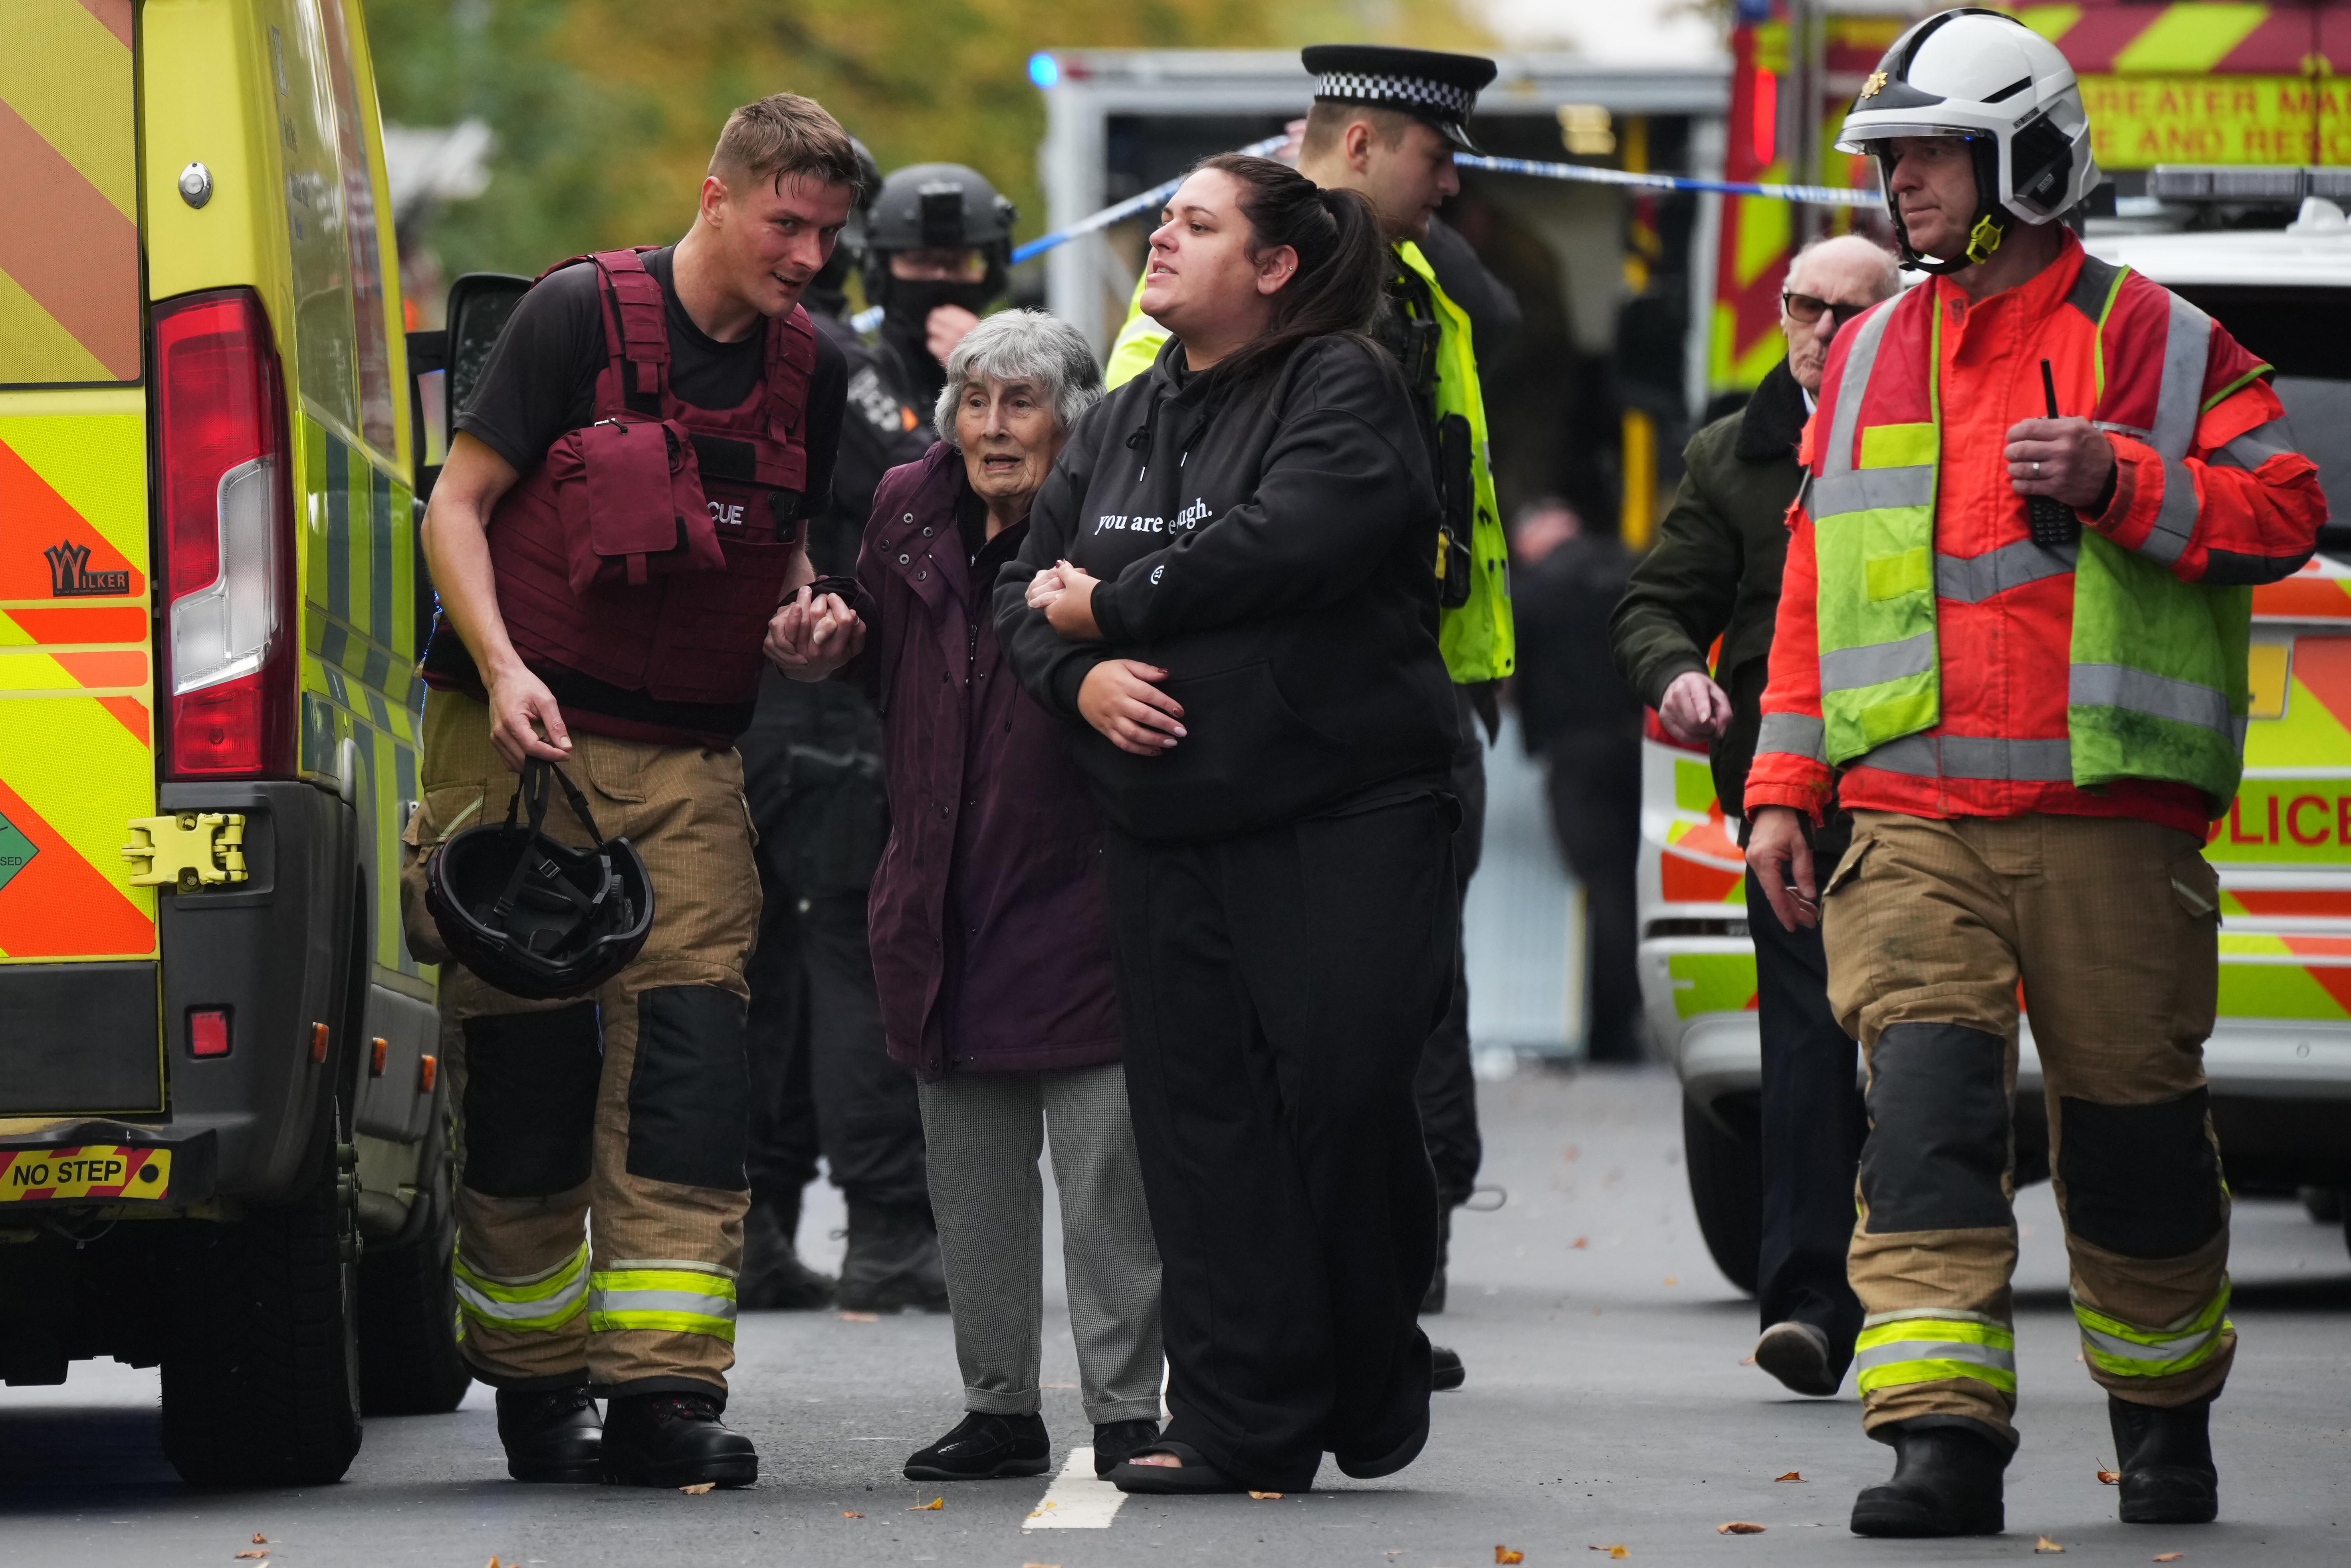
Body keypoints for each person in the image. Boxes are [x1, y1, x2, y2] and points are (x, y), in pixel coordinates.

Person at [1743, 10, 2325, 1538]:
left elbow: (2283, 509)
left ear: (2023, 158)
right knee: (1923, 1123)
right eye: (1889, 159)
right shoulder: (1866, 350)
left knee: (2132, 1138)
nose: (1900, 186)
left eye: (1927, 155)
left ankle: (2162, 1423)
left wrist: (2123, 479)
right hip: (1913, 819)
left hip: (2109, 826)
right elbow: (1814, 593)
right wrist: (1782, 787)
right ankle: (1938, 1440)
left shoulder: (2160, 339)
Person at [401, 94, 859, 1489]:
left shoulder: (812, 370)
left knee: (685, 1076)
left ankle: (663, 1394)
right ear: (714, 196)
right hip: (519, 744)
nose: (808, 256)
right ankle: (538, 1386)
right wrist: (503, 664)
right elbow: (456, 508)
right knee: (528, 1070)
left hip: (690, 761)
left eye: (828, 234)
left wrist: (805, 621)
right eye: (788, 224)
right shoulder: (571, 319)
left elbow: (782, 550)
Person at [996, 154, 1458, 1497]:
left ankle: (1366, 1367)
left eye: (1196, 224)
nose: (1161, 237)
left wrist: (1114, 609)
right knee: (1202, 1127)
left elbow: (1292, 536)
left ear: (1271, 268)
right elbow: (1022, 590)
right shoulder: (1122, 416)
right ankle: (1239, 1415)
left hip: (1341, 807)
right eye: (1162, 219)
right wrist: (1075, 672)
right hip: (1165, 827)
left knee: (1340, 1090)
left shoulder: (1341, 384)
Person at [1105, 43, 1518, 1338]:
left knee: (1391, 1028)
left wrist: (1473, 669)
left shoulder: (1417, 293)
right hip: (1266, 728)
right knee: (1308, 1053)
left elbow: (1449, 500)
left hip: (1400, 713)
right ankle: (1333, 1316)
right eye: (1430, 156)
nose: (1448, 184)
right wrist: (1104, 631)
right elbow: (1137, 490)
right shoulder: (1213, 291)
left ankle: (1381, 1299)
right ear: (1353, 149)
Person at [771, 311, 1166, 1484]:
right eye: (977, 399)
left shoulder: (1110, 521)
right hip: (936, 892)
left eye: (1022, 401)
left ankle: (1126, 1409)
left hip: (1082, 890)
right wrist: (828, 634)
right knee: (976, 1182)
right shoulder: (905, 504)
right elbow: (874, 635)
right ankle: (998, 1405)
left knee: (1106, 1182)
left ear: (1074, 415)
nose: (995, 427)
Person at [1609, 233, 1901, 1391]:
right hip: (1794, 808)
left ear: (1895, 319)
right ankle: (1810, 1309)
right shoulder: (1735, 456)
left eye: (1846, 312)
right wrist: (1675, 670)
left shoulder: (1932, 433)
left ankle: (1926, 1290)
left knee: (1924, 1059)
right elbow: (1654, 602)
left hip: (1929, 795)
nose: (1819, 334)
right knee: (1807, 1061)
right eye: (1801, 307)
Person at [736, 135, 945, 1315]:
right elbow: (920, 492)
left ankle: (755, 1223)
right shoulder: (832, 357)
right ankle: (889, 1231)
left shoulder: (691, 344)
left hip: (733, 708)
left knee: (759, 972)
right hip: (826, 701)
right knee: (858, 969)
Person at [1511, 497, 1644, 1061]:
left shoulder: (1531, 590)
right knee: (1633, 882)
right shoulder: (1633, 568)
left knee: (1604, 888)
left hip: (1574, 754)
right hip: (1641, 743)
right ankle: (1626, 1023)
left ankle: (1609, 1035)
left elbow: (1505, 671)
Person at [864, 162, 1017, 416]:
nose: (940, 277)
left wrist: (987, 375)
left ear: (992, 276)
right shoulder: (855, 379)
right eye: (919, 261)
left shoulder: (1031, 374)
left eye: (959, 262)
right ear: (880, 274)